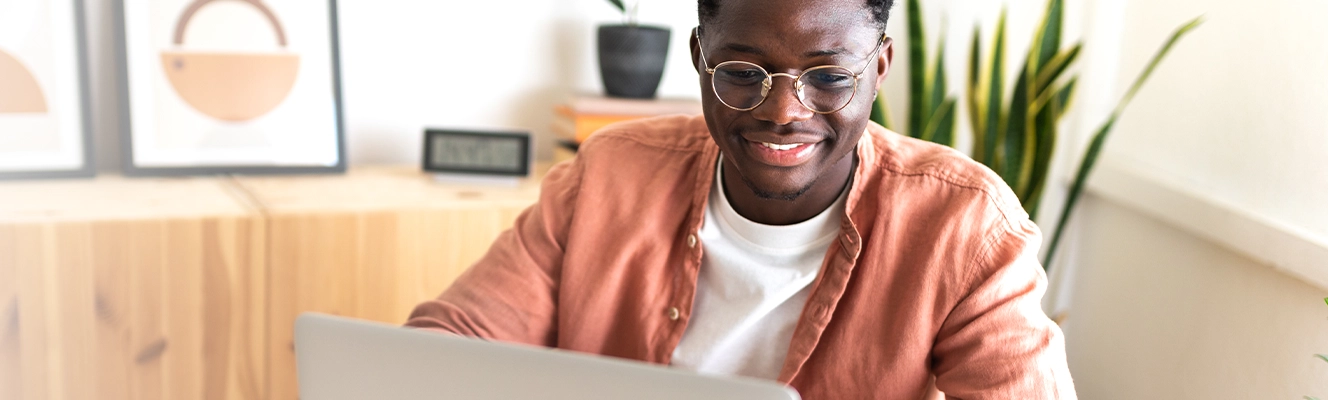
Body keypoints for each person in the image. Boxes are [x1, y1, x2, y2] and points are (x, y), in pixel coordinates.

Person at [403, 0, 1075, 398]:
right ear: (699, 56)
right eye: (742, 73)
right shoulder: (606, 174)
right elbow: (444, 346)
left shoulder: (967, 228)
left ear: (880, 67)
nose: (784, 110)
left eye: (829, 76)